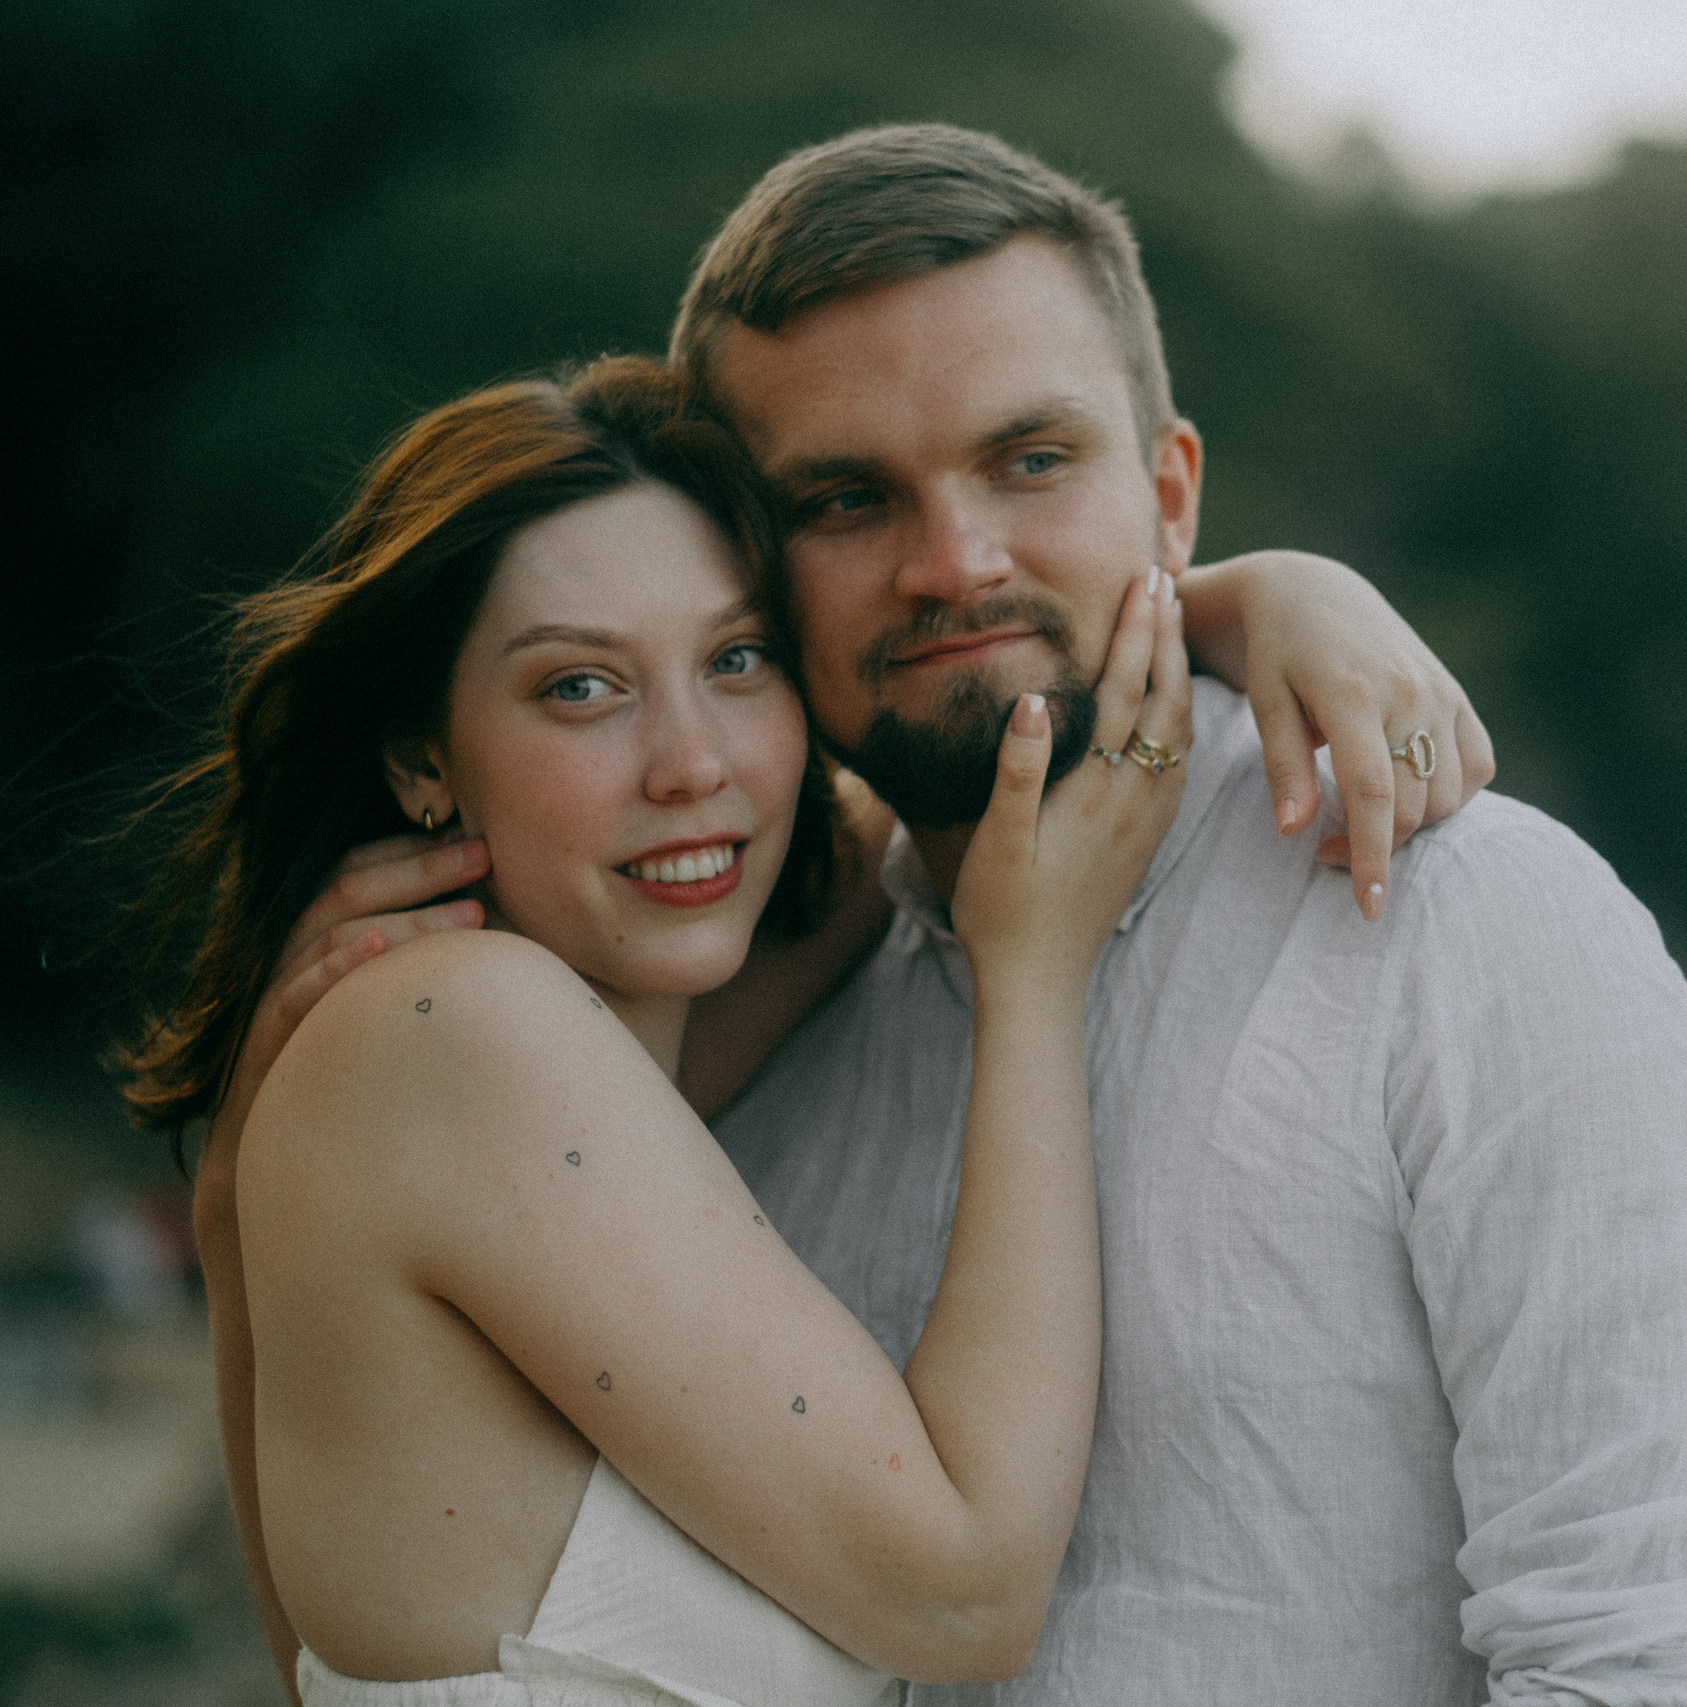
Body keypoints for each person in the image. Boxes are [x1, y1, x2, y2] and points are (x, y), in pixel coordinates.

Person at [258, 125, 1687, 1704]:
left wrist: (1251, 595)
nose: (956, 564)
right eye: (846, 498)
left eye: (1032, 461)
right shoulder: (735, 1009)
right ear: (758, 564)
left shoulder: (1465, 924)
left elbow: (1657, 1662)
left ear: (1171, 494)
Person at [134, 356, 1482, 1704]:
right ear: (422, 755)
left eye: (739, 660)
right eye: (581, 688)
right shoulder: (466, 1028)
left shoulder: (560, 1035)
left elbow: (968, 749)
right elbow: (966, 1593)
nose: (694, 764)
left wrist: (1260, 595)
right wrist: (1028, 977)